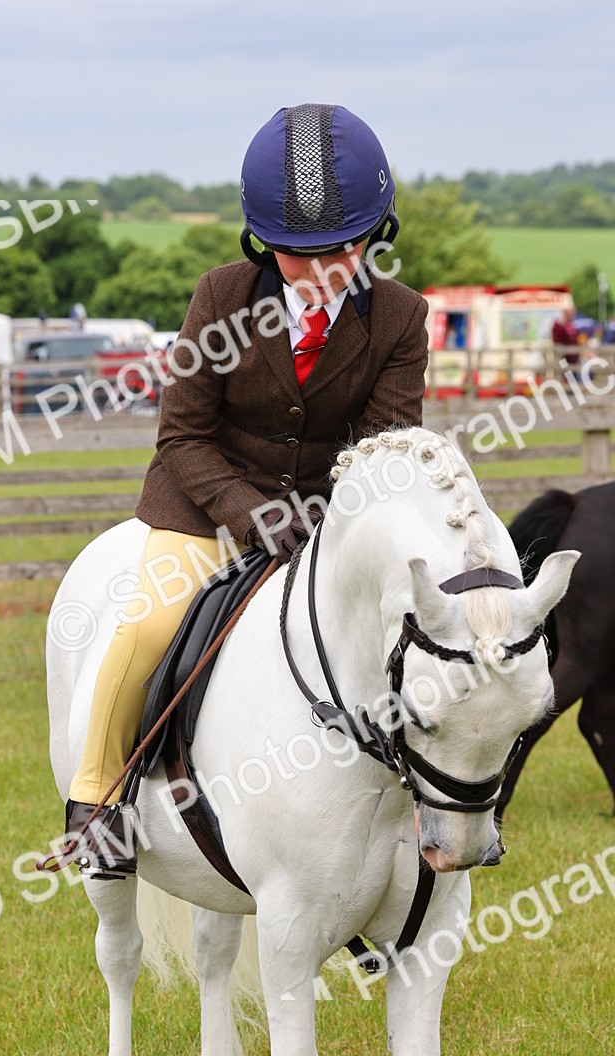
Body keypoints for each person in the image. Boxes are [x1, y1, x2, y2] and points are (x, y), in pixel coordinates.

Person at [59, 103, 429, 877]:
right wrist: (250, 512)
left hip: (326, 518)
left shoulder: (401, 317)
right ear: (263, 242)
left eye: (342, 250)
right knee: (151, 624)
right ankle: (97, 803)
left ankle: (408, 821)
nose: (320, 272)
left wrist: (332, 521)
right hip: (204, 505)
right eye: (296, 255)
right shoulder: (220, 296)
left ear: (375, 236)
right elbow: (182, 437)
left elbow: (385, 452)